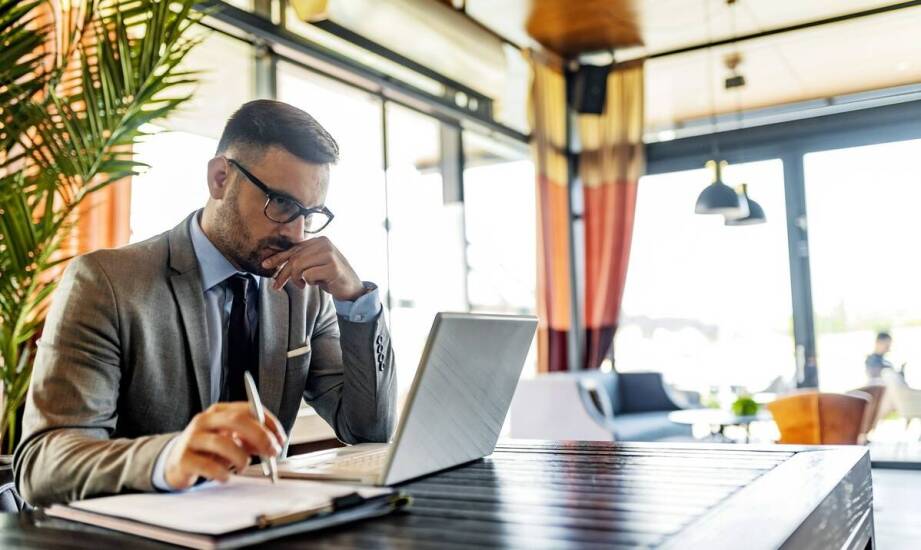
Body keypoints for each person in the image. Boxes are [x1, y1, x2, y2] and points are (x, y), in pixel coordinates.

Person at [14, 100, 396, 506]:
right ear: (219, 178)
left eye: (310, 213)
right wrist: (167, 459)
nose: (297, 233)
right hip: (145, 528)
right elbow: (42, 466)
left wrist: (355, 300)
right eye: (282, 204)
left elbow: (368, 429)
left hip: (268, 521)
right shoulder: (106, 283)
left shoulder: (306, 292)